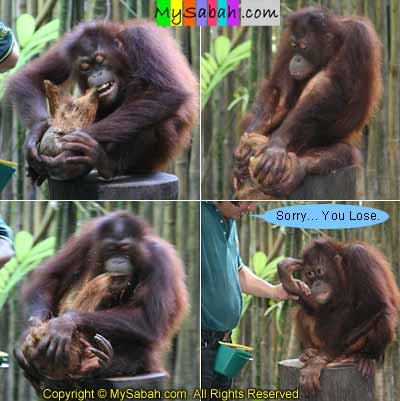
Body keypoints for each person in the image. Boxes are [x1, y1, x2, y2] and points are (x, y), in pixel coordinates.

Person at [201, 201, 309, 399]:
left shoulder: (229, 220)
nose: (251, 207)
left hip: (223, 342)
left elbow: (238, 272)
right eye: (245, 200)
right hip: (199, 342)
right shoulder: (199, 215)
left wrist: (275, 291)